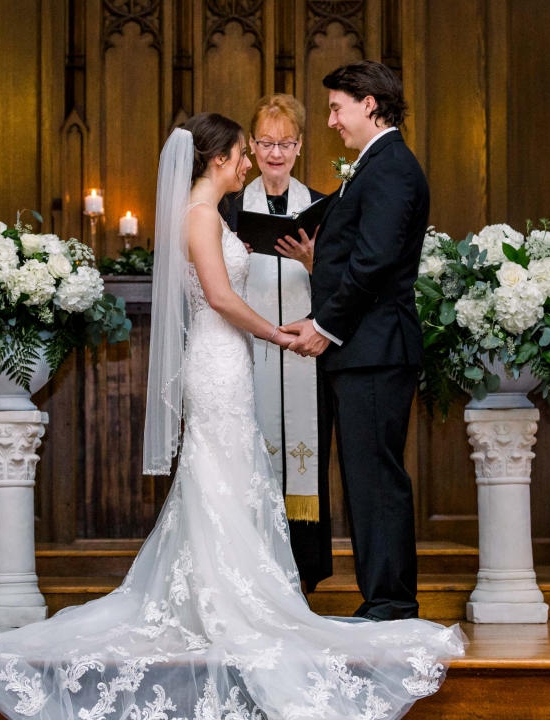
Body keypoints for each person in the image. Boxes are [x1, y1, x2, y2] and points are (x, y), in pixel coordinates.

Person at [0, 112, 464, 720]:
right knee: (218, 475)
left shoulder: (210, 217)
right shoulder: (199, 216)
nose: (248, 164)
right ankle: (223, 603)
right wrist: (277, 333)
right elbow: (219, 298)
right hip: (220, 365)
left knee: (224, 477)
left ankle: (214, 596)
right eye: (243, 154)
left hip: (228, 363)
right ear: (217, 160)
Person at [280, 61, 430, 621]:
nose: (331, 120)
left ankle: (390, 602)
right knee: (366, 478)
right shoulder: (374, 166)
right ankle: (383, 597)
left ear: (371, 104)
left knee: (376, 479)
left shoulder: (390, 167)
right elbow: (358, 257)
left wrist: (323, 326)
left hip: (375, 349)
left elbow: (374, 262)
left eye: (337, 106)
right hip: (364, 348)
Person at [218, 94, 330, 591]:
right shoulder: (232, 207)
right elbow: (214, 282)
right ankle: (256, 574)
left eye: (286, 142)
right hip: (254, 349)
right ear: (253, 146)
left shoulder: (325, 206)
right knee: (252, 457)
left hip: (310, 353)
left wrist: (313, 262)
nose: (276, 152)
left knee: (308, 459)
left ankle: (302, 576)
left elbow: (345, 287)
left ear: (300, 146)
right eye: (266, 142)